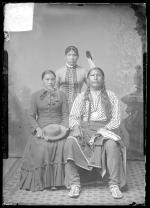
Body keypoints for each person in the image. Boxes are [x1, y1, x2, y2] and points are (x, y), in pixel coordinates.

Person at [64, 67, 127, 199]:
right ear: (88, 79)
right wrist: (75, 128)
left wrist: (104, 130)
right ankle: (75, 183)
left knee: (111, 145)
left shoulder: (111, 95)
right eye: (92, 75)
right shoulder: (81, 96)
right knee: (70, 142)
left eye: (99, 75)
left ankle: (114, 184)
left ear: (103, 79)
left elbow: (116, 119)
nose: (95, 77)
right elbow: (74, 116)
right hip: (85, 129)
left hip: (105, 129)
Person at [19, 70, 69, 192]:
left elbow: (65, 114)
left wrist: (63, 127)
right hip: (42, 128)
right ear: (42, 81)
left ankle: (58, 182)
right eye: (47, 79)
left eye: (52, 79)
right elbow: (31, 115)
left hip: (59, 128)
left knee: (63, 145)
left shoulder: (62, 95)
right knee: (43, 147)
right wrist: (37, 129)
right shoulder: (35, 95)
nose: (50, 82)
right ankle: (46, 182)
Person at [55, 46, 87, 112]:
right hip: (62, 105)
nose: (72, 58)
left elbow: (93, 86)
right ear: (65, 57)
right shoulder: (58, 72)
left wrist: (84, 97)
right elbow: (54, 90)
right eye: (69, 55)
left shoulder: (83, 71)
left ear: (78, 57)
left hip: (79, 104)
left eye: (74, 55)